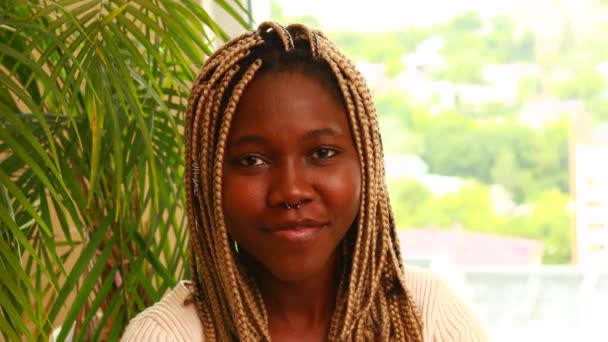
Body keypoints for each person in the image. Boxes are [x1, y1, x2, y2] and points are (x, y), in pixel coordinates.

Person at [122, 21, 487, 341]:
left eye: (322, 153)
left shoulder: (430, 316)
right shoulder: (166, 336)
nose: (291, 191)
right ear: (210, 179)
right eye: (252, 160)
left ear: (367, 162)